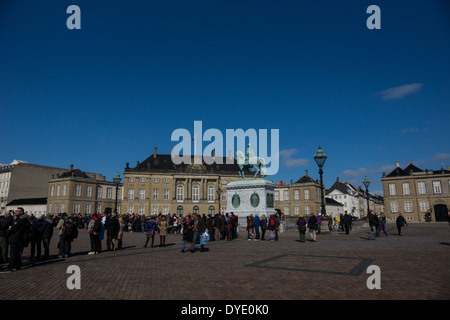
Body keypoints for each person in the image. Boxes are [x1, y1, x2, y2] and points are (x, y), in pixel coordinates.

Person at [3, 207, 30, 272]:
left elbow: (14, 228)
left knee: (13, 253)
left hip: (15, 238)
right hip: (19, 238)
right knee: (17, 252)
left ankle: (11, 266)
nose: (16, 212)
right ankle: (17, 265)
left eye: (17, 211)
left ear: (21, 212)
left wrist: (6, 233)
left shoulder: (20, 220)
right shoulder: (23, 219)